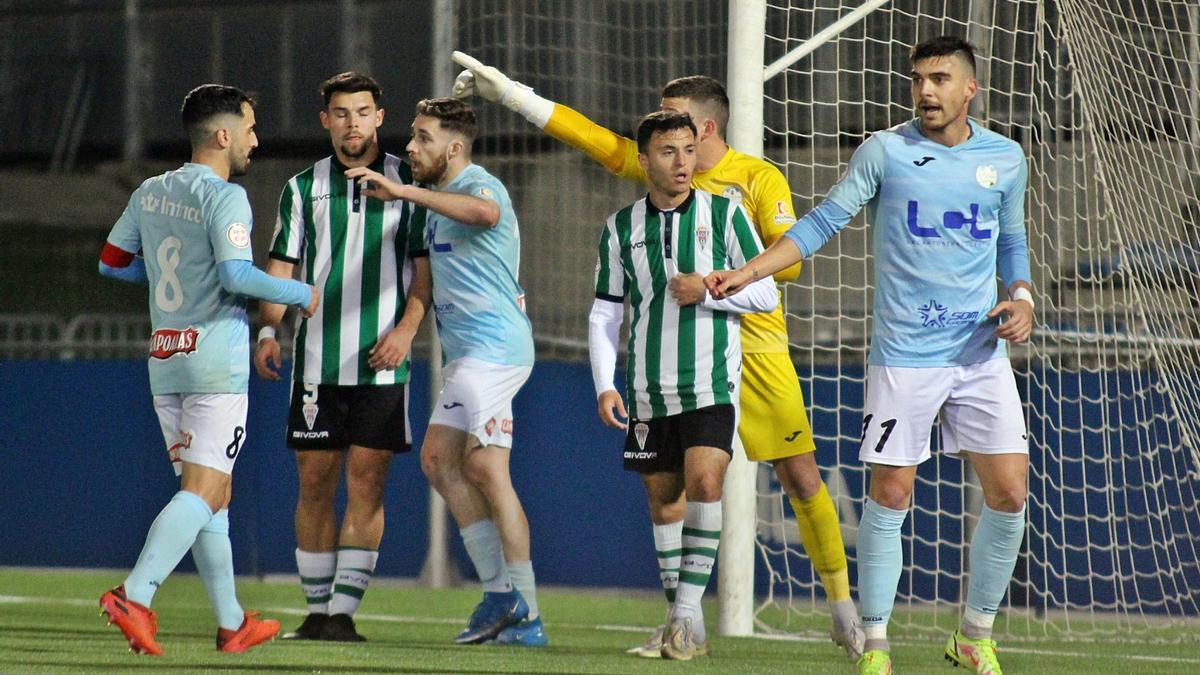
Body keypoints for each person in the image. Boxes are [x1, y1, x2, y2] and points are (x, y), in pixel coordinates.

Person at [451, 52, 864, 658]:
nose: (664, 131)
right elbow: (589, 137)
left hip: (757, 348)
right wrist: (510, 93)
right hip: (669, 358)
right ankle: (684, 620)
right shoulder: (648, 191)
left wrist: (718, 283)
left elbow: (792, 259)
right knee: (669, 489)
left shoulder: (755, 179)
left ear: (706, 130)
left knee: (801, 477)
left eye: (675, 120)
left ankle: (841, 607)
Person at [706, 36, 1034, 675]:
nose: (925, 91)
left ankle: (974, 634)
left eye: (939, 79)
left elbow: (1012, 241)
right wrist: (751, 271)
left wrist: (1021, 297)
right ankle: (877, 645)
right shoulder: (884, 150)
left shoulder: (1006, 157)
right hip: (904, 356)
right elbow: (821, 223)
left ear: (970, 88)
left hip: (979, 354)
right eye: (917, 79)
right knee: (892, 493)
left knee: (1012, 493)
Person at [98, 84, 319, 656]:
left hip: (166, 358)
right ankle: (135, 595)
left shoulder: (150, 191)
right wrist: (300, 292)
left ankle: (231, 623)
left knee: (210, 497)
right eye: (248, 127)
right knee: (204, 490)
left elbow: (112, 262)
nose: (254, 138)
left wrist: (171, 286)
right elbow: (237, 277)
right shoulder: (226, 197)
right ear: (223, 136)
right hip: (214, 363)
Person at [345, 97, 545, 647]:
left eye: (423, 137)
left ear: (454, 148)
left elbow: (487, 215)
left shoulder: (481, 185)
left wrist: (405, 191)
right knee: (483, 469)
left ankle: (508, 598)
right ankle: (523, 616)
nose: (410, 147)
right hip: (472, 355)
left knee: (439, 457)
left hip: (495, 351)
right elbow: (428, 283)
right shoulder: (435, 208)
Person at [590, 110, 778, 660]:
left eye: (689, 150)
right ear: (644, 159)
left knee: (705, 479)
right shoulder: (620, 228)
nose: (681, 162)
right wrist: (605, 382)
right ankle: (685, 626)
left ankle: (680, 620)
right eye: (669, 152)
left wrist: (713, 291)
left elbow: (766, 294)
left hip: (712, 382)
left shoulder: (725, 214)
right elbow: (605, 312)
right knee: (663, 500)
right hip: (649, 387)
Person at [254, 72, 430, 642]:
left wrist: (406, 330)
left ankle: (343, 615)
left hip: (383, 360)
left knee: (367, 481)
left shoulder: (411, 183)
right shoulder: (302, 188)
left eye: (362, 111)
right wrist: (267, 331)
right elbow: (281, 268)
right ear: (324, 120)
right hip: (316, 363)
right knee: (314, 480)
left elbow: (426, 275)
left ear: (381, 116)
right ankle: (314, 610)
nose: (352, 122)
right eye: (341, 112)